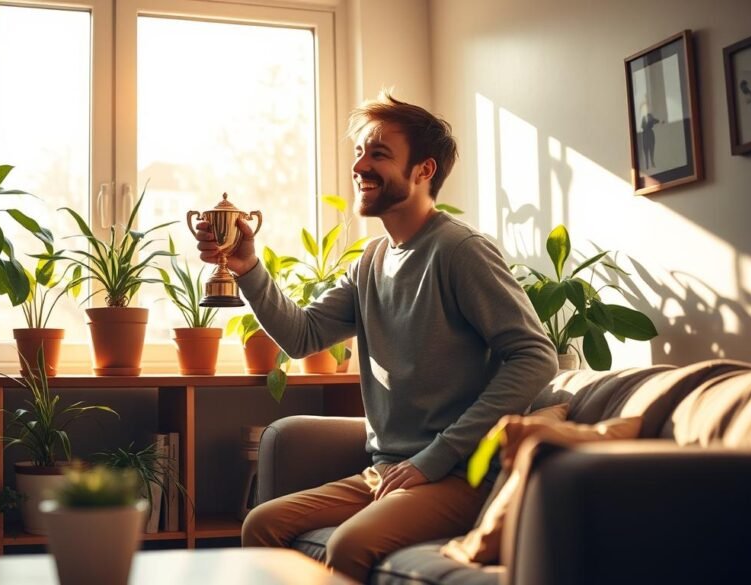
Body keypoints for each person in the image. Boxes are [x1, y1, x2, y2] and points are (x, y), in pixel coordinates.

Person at [192, 91, 557, 582]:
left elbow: (535, 356)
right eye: (360, 153)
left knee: (349, 546)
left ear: (423, 171)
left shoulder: (459, 250)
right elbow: (304, 336)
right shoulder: (371, 261)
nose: (360, 165)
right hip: (387, 471)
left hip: (457, 475)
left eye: (379, 154)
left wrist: (438, 456)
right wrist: (246, 267)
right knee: (262, 525)